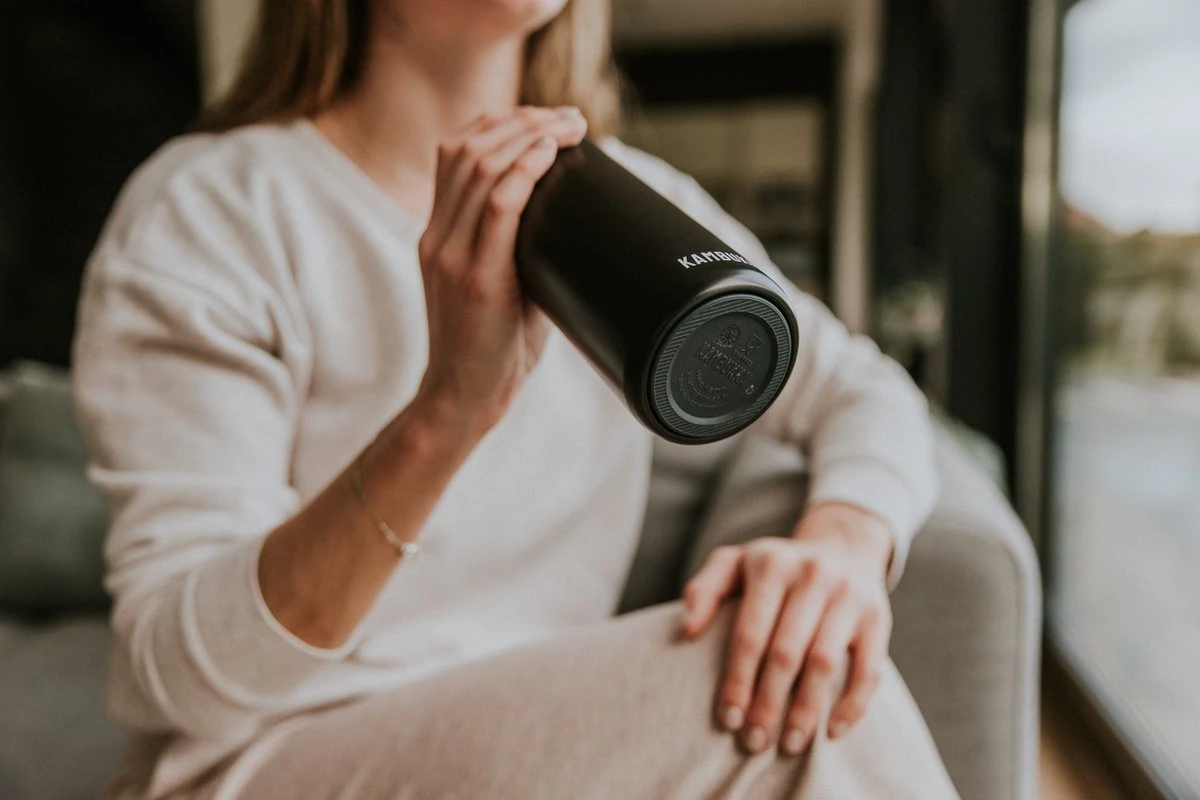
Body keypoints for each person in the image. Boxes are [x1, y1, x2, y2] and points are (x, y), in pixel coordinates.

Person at [72, 0, 959, 797]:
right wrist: (447, 413)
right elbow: (179, 678)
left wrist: (843, 544)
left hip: (541, 744)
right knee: (802, 695)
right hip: (261, 758)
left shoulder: (633, 206)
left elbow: (863, 387)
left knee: (806, 663)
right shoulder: (216, 207)